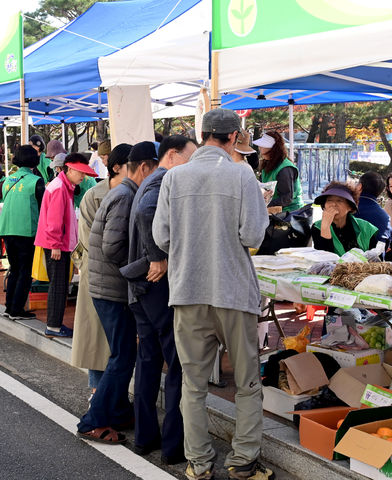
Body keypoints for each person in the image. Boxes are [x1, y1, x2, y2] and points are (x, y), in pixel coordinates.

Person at [152, 109, 271, 480]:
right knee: (248, 382)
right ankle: (243, 461)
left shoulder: (175, 177)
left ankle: (199, 464)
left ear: (202, 134)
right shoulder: (242, 175)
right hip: (232, 290)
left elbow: (161, 237)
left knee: (193, 383)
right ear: (235, 137)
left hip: (187, 290)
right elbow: (253, 236)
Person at [76, 141, 158, 445]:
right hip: (110, 288)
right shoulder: (125, 197)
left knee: (123, 354)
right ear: (146, 168)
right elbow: (113, 248)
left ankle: (119, 410)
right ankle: (92, 421)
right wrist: (145, 264)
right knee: (122, 356)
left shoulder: (124, 193)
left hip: (107, 285)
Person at [127, 135, 197, 464]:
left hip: (140, 286)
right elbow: (145, 212)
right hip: (156, 284)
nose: (194, 164)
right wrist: (157, 256)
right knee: (178, 363)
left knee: (150, 361)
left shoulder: (152, 179)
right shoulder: (165, 179)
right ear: (172, 154)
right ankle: (173, 447)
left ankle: (145, 438)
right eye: (191, 156)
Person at [71, 143, 131, 404]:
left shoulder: (133, 192)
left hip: (122, 276)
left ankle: (112, 396)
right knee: (97, 338)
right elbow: (94, 241)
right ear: (116, 167)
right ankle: (98, 394)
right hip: (100, 274)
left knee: (117, 342)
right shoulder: (94, 195)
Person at [35, 153, 97, 338]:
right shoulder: (60, 188)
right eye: (80, 173)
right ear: (69, 169)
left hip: (58, 243)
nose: (83, 177)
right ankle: (54, 325)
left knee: (59, 284)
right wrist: (55, 245)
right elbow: (54, 220)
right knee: (59, 285)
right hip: (57, 245)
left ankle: (54, 324)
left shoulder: (62, 185)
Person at [0, 145, 45, 320]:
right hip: (26, 230)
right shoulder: (36, 181)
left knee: (14, 268)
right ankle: (17, 309)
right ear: (35, 160)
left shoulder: (8, 180)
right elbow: (43, 208)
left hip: (7, 229)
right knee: (25, 271)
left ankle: (9, 306)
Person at [312, 182, 379, 255]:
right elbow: (323, 259)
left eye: (339, 201)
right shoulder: (317, 227)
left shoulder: (366, 228)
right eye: (329, 200)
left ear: (350, 207)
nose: (333, 204)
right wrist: (325, 227)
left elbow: (375, 258)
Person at [256, 131, 304, 213]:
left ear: (273, 149)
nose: (259, 148)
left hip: (290, 213)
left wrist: (265, 203)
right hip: (275, 210)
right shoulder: (267, 164)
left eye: (263, 146)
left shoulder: (285, 168)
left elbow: (287, 198)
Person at [354, 171, 392, 249]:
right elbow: (384, 244)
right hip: (373, 259)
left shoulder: (347, 209)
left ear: (359, 186)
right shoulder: (384, 217)